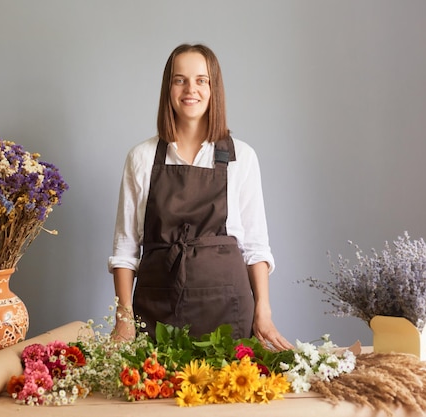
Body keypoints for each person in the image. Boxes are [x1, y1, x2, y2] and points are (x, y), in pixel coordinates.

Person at [108, 43, 293, 351]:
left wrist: (264, 312)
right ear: (168, 89)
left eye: (201, 80)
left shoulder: (241, 157)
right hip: (156, 309)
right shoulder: (141, 158)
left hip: (228, 310)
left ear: (213, 88)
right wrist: (124, 317)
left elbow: (255, 247)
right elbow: (126, 247)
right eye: (180, 80)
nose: (190, 89)